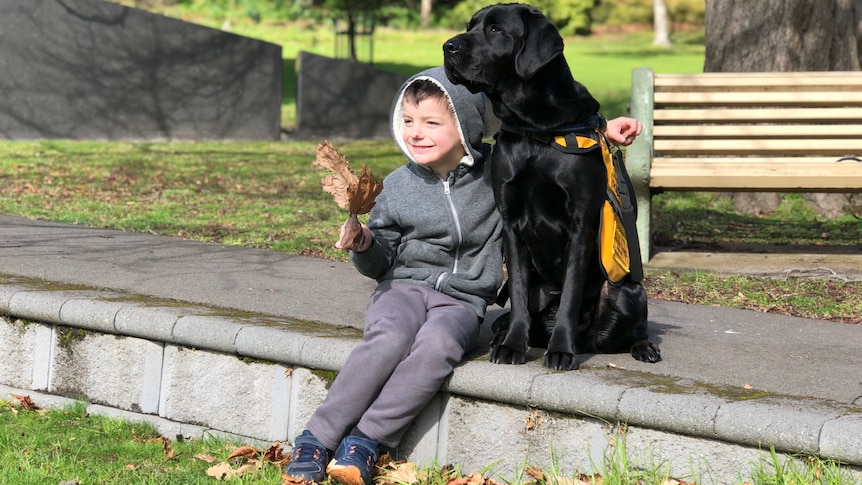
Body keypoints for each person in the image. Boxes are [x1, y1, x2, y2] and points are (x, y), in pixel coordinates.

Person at [283, 66, 643, 485]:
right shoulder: (397, 186)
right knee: (390, 338)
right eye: (408, 121)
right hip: (401, 288)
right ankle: (316, 437)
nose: (416, 132)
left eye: (432, 123)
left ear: (467, 127)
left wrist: (601, 128)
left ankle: (366, 441)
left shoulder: (497, 172)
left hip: (463, 301)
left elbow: (544, 132)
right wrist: (364, 244)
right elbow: (381, 260)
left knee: (437, 347)